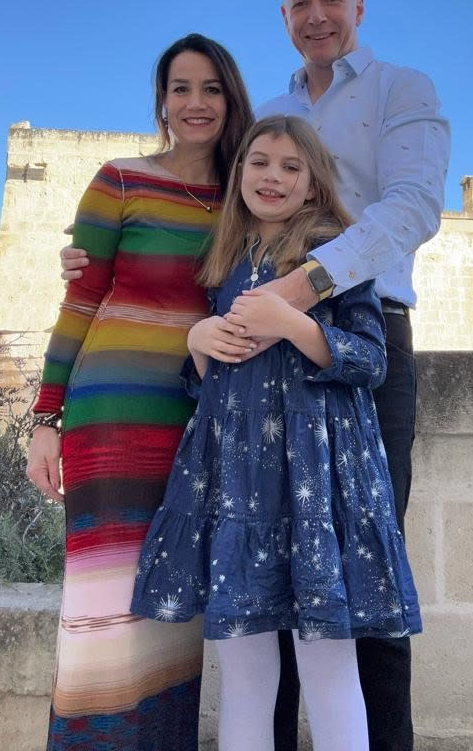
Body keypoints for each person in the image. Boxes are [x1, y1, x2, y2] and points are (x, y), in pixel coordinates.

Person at [62, 0, 451, 750]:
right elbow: (216, 208)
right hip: (245, 374)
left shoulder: (401, 89)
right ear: (283, 17)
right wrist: (90, 261)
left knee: (356, 594)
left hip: (349, 345)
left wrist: (301, 290)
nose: (317, 15)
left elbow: (412, 207)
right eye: (300, 2)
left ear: (359, 6)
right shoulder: (269, 112)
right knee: (255, 611)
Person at [131, 115, 422, 751]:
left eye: (292, 167)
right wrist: (197, 342)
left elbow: (371, 361)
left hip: (316, 480)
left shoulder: (336, 258)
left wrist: (293, 322)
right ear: (239, 174)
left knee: (328, 664)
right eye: (260, 162)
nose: (273, 176)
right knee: (244, 670)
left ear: (314, 183)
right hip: (238, 483)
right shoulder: (225, 258)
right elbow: (205, 379)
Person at [26, 33, 254, 751]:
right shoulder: (118, 179)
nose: (195, 103)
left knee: (171, 605)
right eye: (180, 88)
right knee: (101, 604)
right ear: (162, 102)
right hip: (111, 413)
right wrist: (44, 419)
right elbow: (81, 301)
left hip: (196, 421)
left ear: (231, 98)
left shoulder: (248, 195)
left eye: (211, 88)